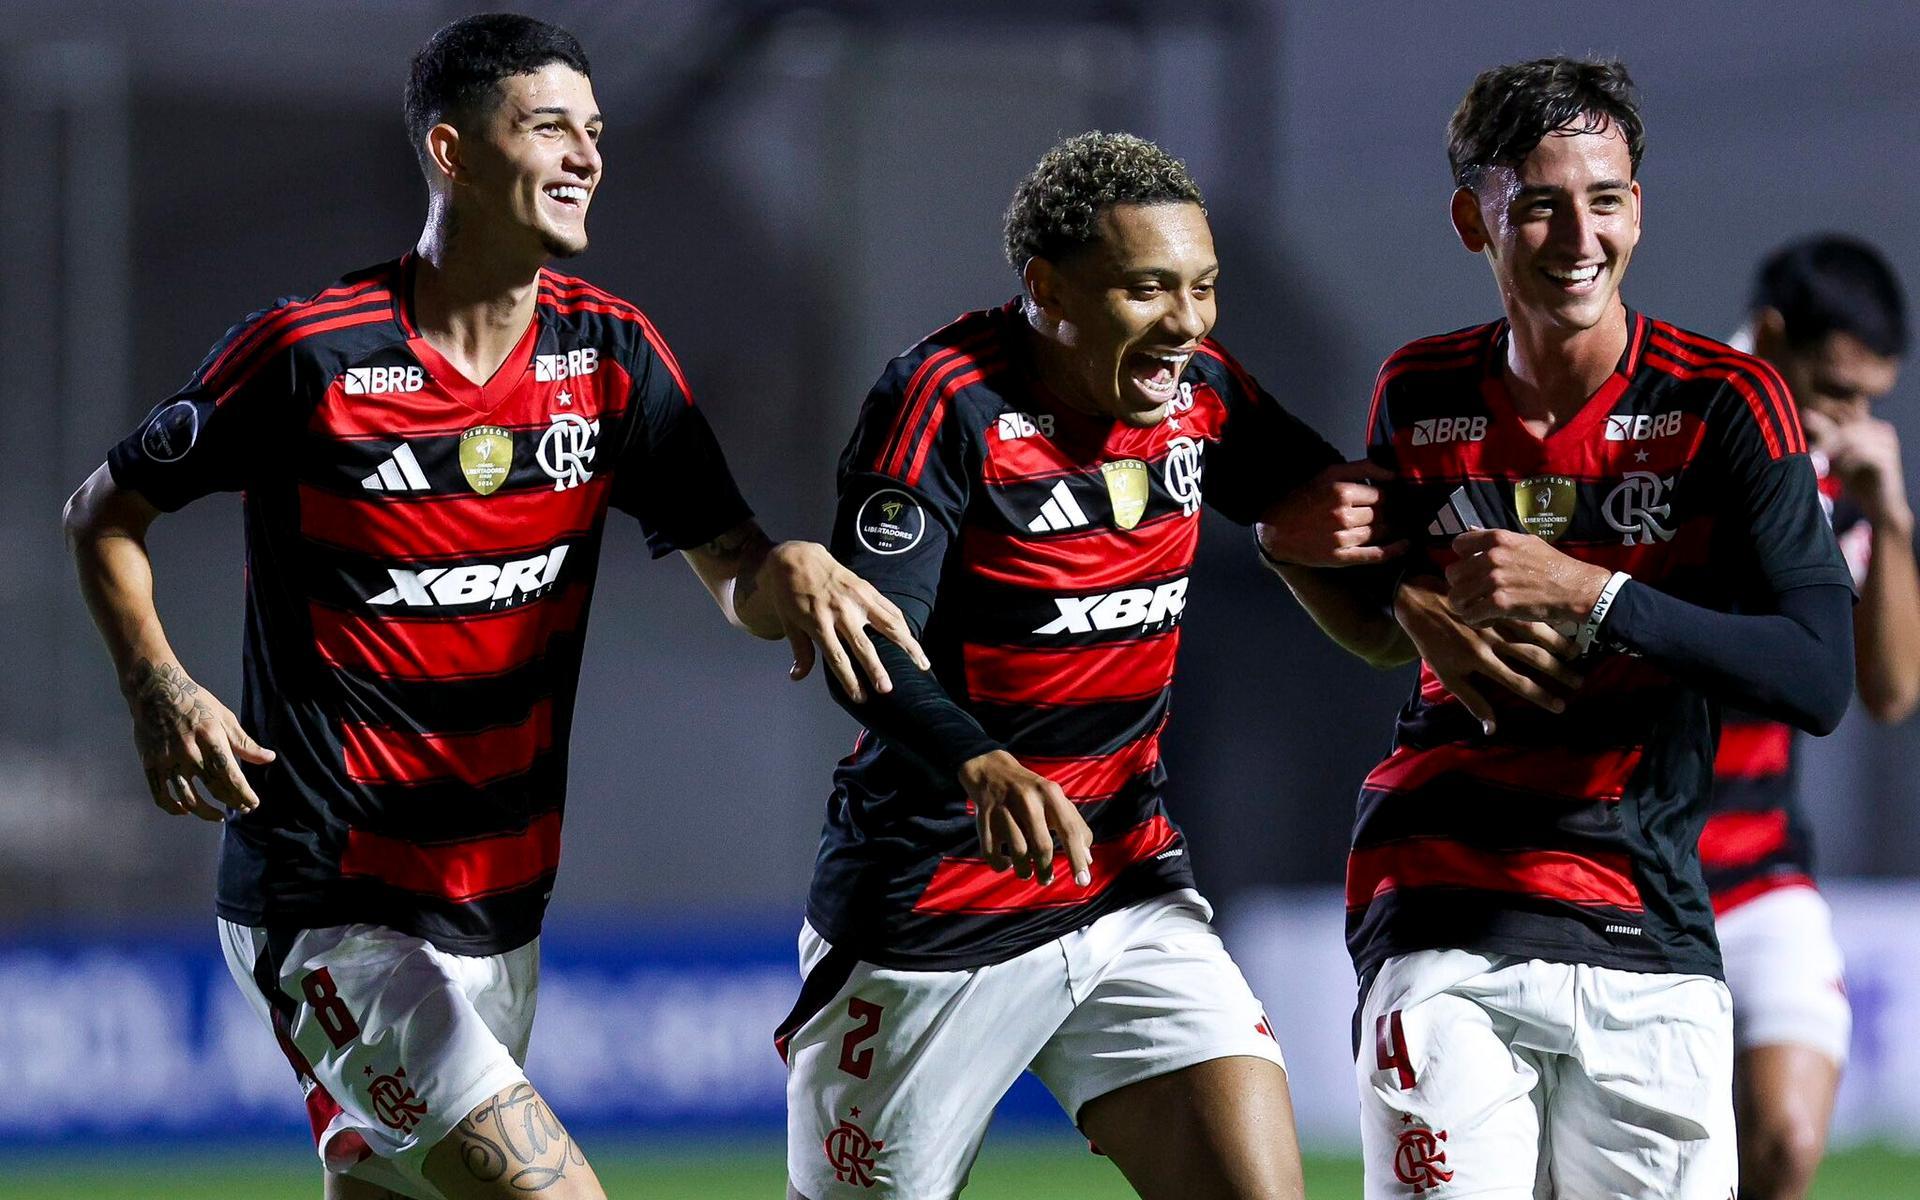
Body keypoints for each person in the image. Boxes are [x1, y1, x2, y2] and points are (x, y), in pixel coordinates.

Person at [62, 14, 923, 1200]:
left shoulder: (611, 354)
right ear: (453, 153)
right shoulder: (310, 353)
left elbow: (734, 573)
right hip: (330, 903)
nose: (587, 156)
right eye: (550, 127)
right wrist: (158, 683)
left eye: (597, 131)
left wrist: (794, 572)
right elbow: (104, 512)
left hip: (501, 907)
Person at [774, 131, 1396, 1200]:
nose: (1188, 323)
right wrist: (983, 766)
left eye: (1203, 288)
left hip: (1125, 884)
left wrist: (1435, 595)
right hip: (931, 910)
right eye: (1148, 289)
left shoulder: (1201, 390)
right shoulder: (944, 399)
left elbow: (1324, 512)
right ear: (1047, 290)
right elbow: (867, 640)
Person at [1283, 59, 1855, 1198]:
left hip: (1642, 911)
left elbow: (1819, 675)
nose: (1576, 235)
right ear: (1472, 220)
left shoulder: (1726, 403)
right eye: (1538, 202)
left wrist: (1588, 591)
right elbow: (1394, 618)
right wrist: (1348, 578)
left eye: (1604, 198)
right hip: (1441, 904)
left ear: (1637, 207)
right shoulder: (1419, 390)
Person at [1706, 237, 1914, 1200]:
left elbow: (1892, 692)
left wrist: (1893, 521)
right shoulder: (1679, 425)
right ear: (1773, 341)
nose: (1855, 418)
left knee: (1786, 1142)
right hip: (1618, 876)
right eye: (1837, 389)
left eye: (1872, 396)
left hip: (1758, 875)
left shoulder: (1840, 478)